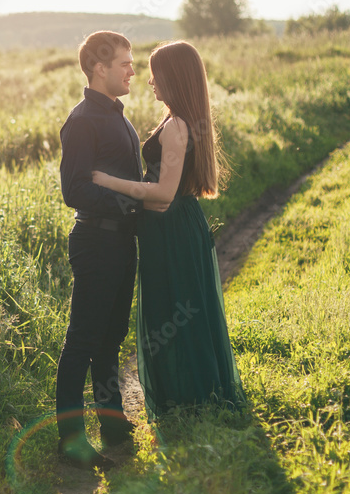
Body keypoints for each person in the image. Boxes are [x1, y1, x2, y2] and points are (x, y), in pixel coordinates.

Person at [92, 40, 245, 419]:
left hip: (172, 230)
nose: (148, 81)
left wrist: (108, 181)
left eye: (155, 73)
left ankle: (189, 402)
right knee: (178, 312)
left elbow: (163, 193)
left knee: (174, 313)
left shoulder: (176, 126)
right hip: (173, 227)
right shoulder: (178, 119)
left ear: (173, 77)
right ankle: (191, 398)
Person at [56, 30, 147, 470]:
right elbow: (73, 190)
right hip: (95, 241)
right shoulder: (82, 121)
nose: (133, 70)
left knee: (110, 339)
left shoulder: (118, 114)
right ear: (99, 67)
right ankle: (71, 443)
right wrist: (128, 204)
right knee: (82, 342)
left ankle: (112, 425)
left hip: (120, 241)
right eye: (126, 63)